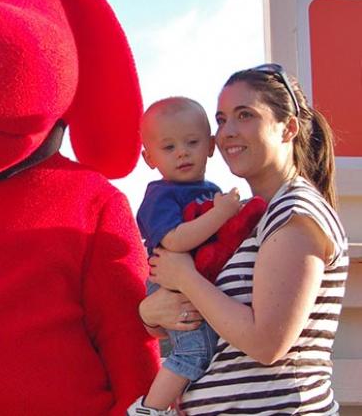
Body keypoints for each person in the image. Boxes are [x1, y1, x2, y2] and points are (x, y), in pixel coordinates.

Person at [140, 64, 348, 414]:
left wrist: (185, 278)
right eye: (221, 120)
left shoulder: (295, 213)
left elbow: (267, 342)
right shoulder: (248, 219)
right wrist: (149, 311)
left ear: (288, 128)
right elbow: (206, 318)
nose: (227, 132)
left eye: (245, 115)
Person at [128, 97, 242, 416]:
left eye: (191, 142)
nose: (182, 152)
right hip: (170, 287)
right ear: (148, 158)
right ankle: (149, 410)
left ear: (209, 145)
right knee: (193, 352)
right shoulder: (159, 196)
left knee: (209, 351)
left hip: (199, 286)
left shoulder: (213, 189)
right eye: (168, 147)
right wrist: (221, 215)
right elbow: (175, 241)